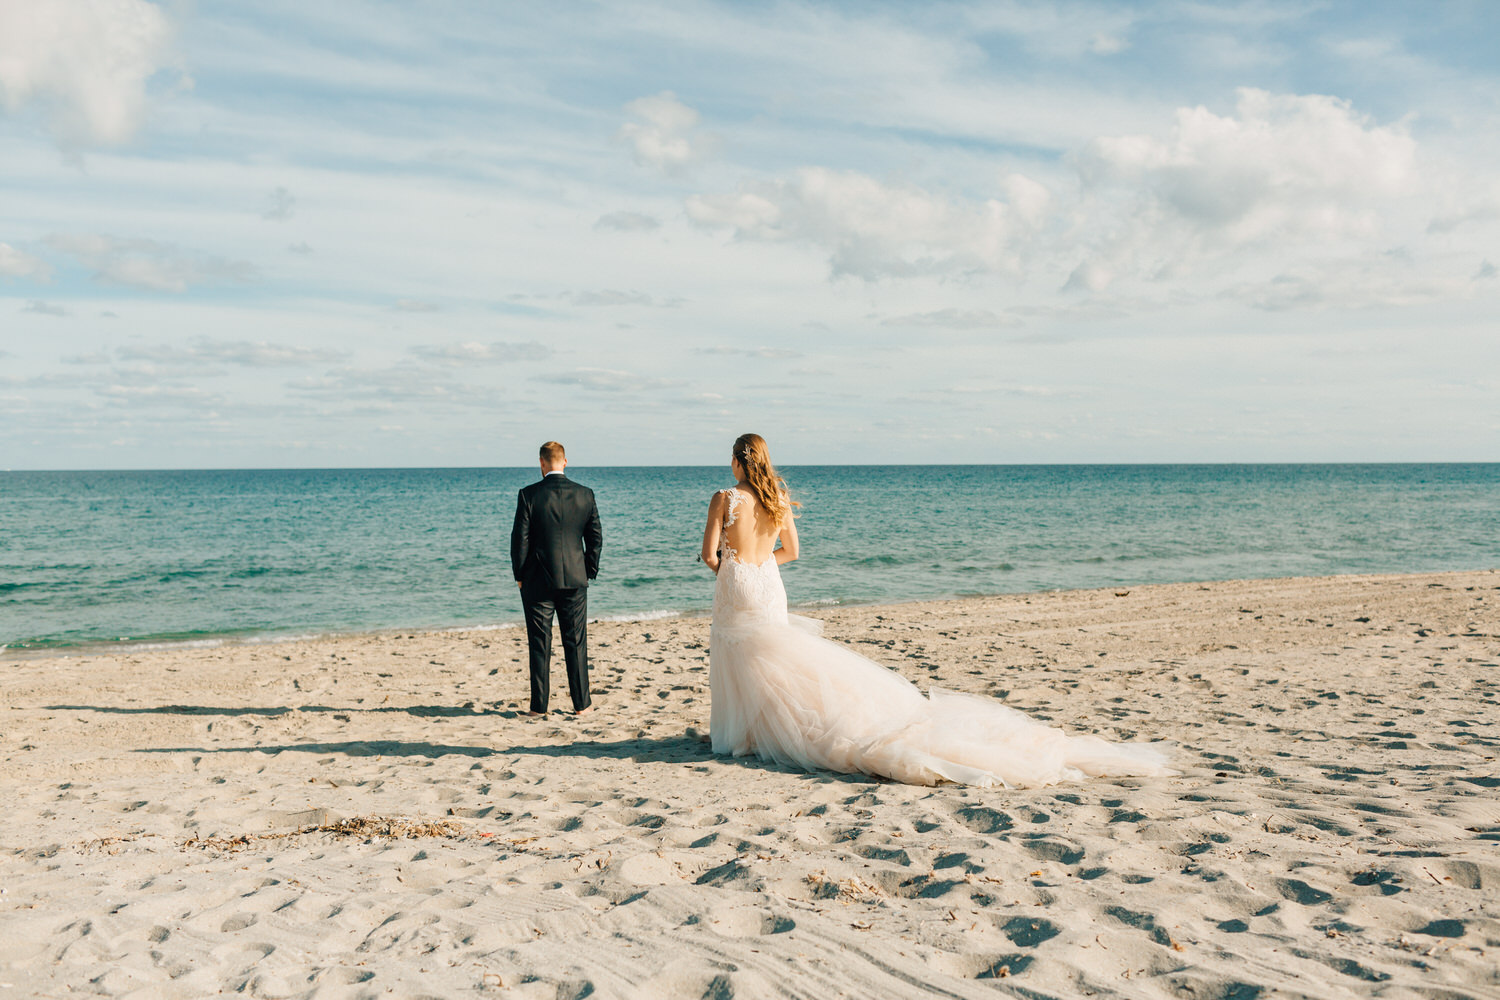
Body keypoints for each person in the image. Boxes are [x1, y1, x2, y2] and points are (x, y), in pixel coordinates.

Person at [699, 433, 1174, 787]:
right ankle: (761, 734)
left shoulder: (724, 498)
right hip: (770, 583)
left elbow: (708, 556)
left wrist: (731, 568)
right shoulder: (778, 499)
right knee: (776, 656)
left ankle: (744, 737)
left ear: (739, 461)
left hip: (738, 582)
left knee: (742, 653)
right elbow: (791, 554)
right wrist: (758, 566)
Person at [511, 441, 603, 717]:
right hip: (575, 579)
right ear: (564, 462)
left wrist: (519, 575)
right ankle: (582, 705)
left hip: (537, 581)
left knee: (539, 643)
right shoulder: (585, 494)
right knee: (576, 643)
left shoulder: (529, 494)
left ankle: (539, 708)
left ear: (541, 463)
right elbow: (595, 537)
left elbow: (519, 540)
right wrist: (588, 570)